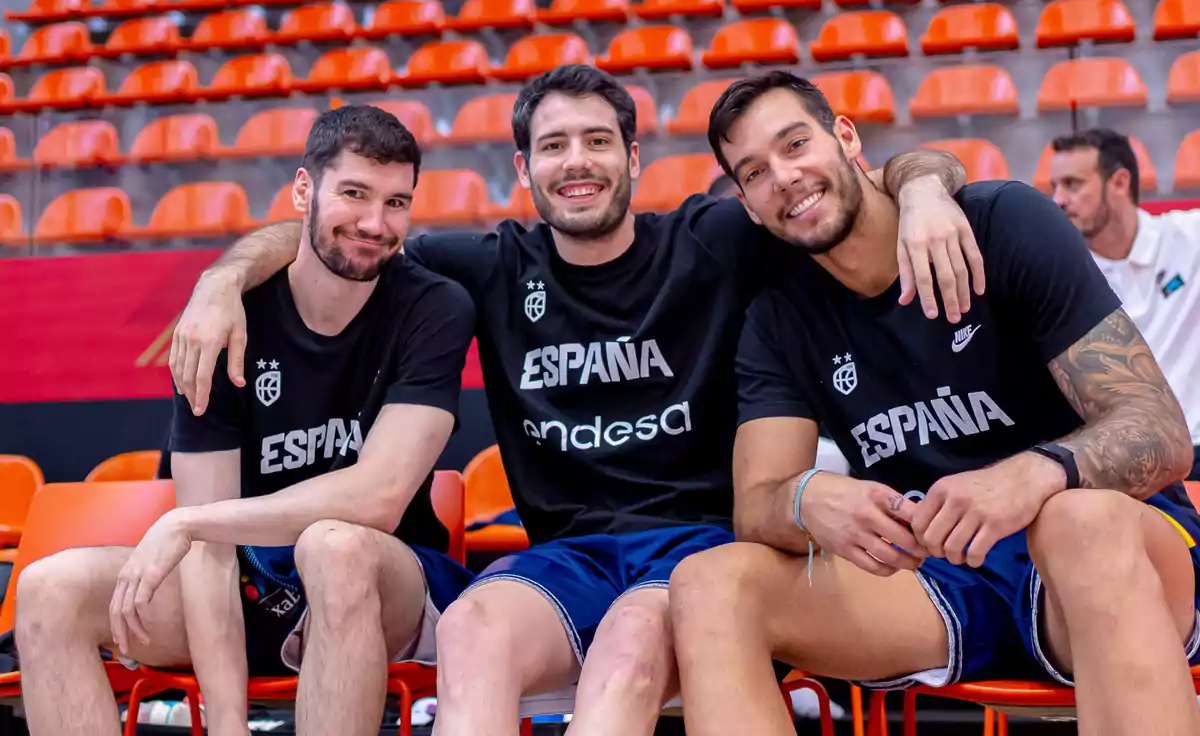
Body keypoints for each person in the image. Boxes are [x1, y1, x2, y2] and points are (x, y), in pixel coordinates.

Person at [166, 64, 978, 735]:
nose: (576, 161)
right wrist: (222, 277)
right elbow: (340, 234)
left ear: (634, 157)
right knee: (469, 631)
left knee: (628, 649)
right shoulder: (486, 264)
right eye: (553, 145)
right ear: (524, 170)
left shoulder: (717, 240)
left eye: (597, 141)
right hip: (567, 556)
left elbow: (856, 184)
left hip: (699, 552)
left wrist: (927, 193)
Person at [667, 70, 1200, 736]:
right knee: (708, 584)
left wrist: (1028, 476)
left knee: (1077, 520)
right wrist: (803, 499)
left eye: (795, 144)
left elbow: (1161, 432)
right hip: (943, 576)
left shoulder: (1002, 221)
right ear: (747, 203)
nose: (783, 176)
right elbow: (757, 505)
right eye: (753, 172)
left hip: (1108, 553)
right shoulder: (777, 319)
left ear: (845, 137)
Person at [14, 105, 477, 736]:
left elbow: (379, 497)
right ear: (303, 191)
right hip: (247, 585)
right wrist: (227, 723)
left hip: (378, 581)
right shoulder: (220, 324)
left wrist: (191, 521)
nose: (375, 222)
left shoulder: (435, 306)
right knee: (49, 587)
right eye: (354, 194)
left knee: (332, 544)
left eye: (397, 202)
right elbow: (210, 557)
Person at [1050, 128, 1200, 478]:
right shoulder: (1060, 271)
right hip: (1122, 466)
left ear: (1118, 182)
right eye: (1054, 186)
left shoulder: (1190, 237)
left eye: (1072, 184)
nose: (1057, 199)